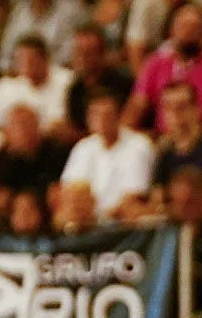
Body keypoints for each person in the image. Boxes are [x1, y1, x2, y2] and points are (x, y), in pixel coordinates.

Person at [61, 90, 154, 222]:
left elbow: (134, 197)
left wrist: (101, 216)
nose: (102, 120)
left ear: (119, 116)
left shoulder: (139, 146)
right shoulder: (82, 148)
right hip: (87, 222)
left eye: (107, 115)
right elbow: (70, 190)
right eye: (95, 115)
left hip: (123, 223)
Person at [127, 2, 202, 134]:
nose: (188, 32)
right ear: (172, 30)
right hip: (162, 137)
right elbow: (138, 106)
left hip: (199, 138)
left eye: (194, 27)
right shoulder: (156, 63)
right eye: (184, 26)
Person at [0, 0, 85, 66]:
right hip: (22, 78)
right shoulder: (19, 13)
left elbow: (70, 54)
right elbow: (5, 56)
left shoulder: (70, 12)